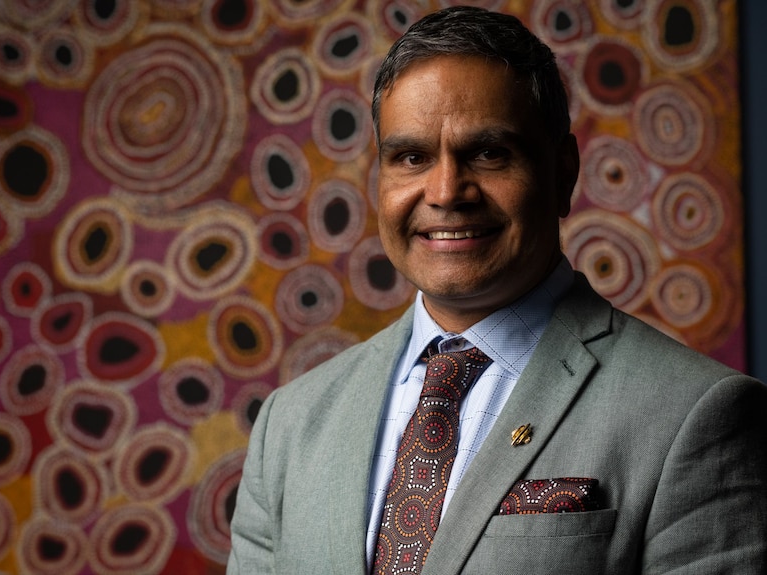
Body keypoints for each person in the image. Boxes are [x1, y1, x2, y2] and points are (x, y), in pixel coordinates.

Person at [227, 6, 767, 574]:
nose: (445, 192)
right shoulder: (290, 424)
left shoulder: (697, 414)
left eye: (488, 153)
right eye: (411, 157)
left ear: (563, 174)